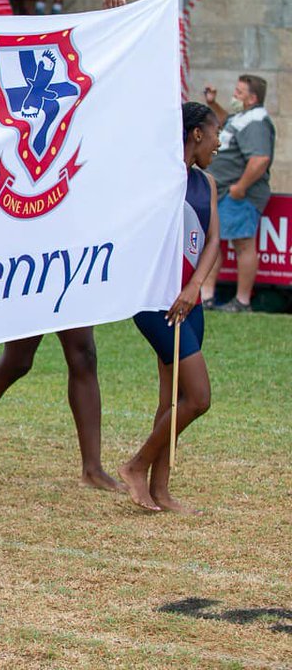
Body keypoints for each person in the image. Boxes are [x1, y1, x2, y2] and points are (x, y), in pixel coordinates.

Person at [0, 0, 131, 493]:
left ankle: (92, 466)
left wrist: (113, 26)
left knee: (81, 353)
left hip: (65, 236)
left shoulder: (69, 93)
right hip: (21, 238)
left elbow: (103, 99)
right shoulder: (4, 96)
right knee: (19, 359)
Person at [121, 102, 220, 514]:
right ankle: (135, 466)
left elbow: (213, 240)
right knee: (198, 398)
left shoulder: (208, 183)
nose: (219, 142)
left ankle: (160, 490)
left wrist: (195, 286)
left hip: (188, 299)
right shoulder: (157, 178)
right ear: (196, 133)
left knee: (173, 399)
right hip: (154, 300)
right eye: (216, 133)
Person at [200, 75, 276, 312]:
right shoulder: (242, 117)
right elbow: (226, 123)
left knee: (243, 244)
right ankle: (206, 297)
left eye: (239, 92)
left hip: (240, 195)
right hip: (223, 192)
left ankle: (242, 301)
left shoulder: (257, 121)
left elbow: (260, 159)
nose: (234, 95)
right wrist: (213, 103)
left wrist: (240, 188)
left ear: (252, 98)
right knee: (213, 242)